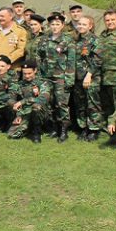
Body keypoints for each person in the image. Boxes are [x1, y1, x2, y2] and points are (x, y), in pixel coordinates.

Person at [36, 13, 76, 142]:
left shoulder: (67, 40)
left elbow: (71, 60)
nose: (55, 26)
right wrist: (39, 77)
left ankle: (64, 130)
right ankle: (54, 128)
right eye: (52, 24)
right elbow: (38, 58)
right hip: (46, 77)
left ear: (63, 25)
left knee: (61, 104)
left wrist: (69, 79)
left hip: (61, 77)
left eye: (57, 24)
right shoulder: (44, 39)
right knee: (49, 103)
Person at [73, 16, 103, 142]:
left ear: (90, 26)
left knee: (92, 103)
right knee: (80, 104)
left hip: (91, 77)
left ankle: (94, 129)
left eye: (84, 24)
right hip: (77, 77)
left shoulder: (95, 40)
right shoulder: (74, 40)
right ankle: (83, 127)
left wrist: (89, 74)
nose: (81, 26)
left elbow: (98, 59)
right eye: (79, 24)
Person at [7, 60, 51, 143]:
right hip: (25, 112)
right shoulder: (19, 84)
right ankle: (28, 126)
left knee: (36, 107)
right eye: (25, 74)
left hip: (42, 113)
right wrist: (18, 113)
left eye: (29, 73)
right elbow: (11, 98)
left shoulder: (42, 83)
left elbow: (44, 98)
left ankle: (37, 132)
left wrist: (24, 101)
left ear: (35, 71)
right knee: (13, 134)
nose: (27, 76)